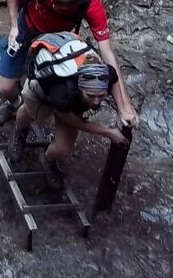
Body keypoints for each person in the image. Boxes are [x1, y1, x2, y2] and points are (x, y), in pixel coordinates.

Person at [0, 0, 139, 128]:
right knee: (4, 88)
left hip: (55, 43)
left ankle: (34, 106)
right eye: (52, 0)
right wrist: (14, 25)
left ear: (73, 8)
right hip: (26, 28)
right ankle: (14, 102)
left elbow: (108, 54)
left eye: (57, 6)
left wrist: (124, 107)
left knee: (49, 84)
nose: (51, 4)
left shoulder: (91, 6)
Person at [8, 41, 129, 189]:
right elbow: (71, 119)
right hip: (41, 86)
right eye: (91, 96)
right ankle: (19, 131)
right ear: (80, 88)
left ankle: (47, 159)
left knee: (63, 149)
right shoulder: (64, 93)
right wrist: (108, 132)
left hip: (70, 98)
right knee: (30, 112)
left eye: (101, 96)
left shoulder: (106, 74)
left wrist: (122, 108)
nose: (96, 102)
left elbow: (115, 79)